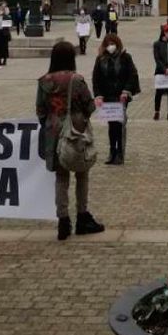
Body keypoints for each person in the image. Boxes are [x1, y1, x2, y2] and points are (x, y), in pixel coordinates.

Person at [36, 41, 105, 240]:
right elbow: (90, 107)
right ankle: (82, 216)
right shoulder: (77, 80)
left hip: (52, 132)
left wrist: (51, 123)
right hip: (76, 131)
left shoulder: (44, 81)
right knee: (82, 173)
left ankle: (63, 221)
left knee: (61, 177)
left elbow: (40, 110)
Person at [92, 34, 140, 165]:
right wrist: (98, 95)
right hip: (107, 97)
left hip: (121, 97)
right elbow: (96, 78)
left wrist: (126, 91)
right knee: (111, 125)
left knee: (120, 125)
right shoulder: (101, 59)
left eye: (112, 44)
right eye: (107, 44)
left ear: (118, 44)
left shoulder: (125, 57)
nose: (110, 47)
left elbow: (132, 75)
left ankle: (120, 153)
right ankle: (112, 151)